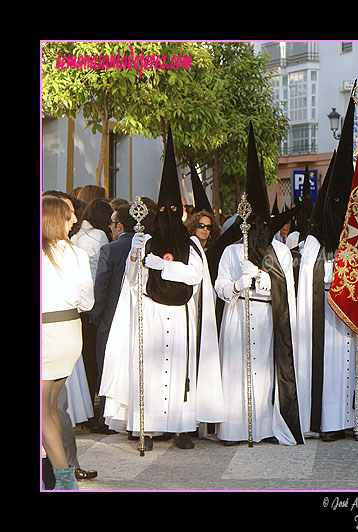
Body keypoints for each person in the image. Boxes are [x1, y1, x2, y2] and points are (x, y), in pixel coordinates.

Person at [99, 128, 224, 451]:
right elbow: (133, 281)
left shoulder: (192, 243)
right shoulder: (147, 240)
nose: (169, 215)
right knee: (152, 371)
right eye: (165, 211)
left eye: (174, 210)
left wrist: (161, 265)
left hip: (181, 314)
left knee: (179, 370)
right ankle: (148, 427)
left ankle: (181, 427)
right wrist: (137, 255)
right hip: (152, 312)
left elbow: (195, 276)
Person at [297, 99, 358, 442]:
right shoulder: (317, 240)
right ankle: (332, 422)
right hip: (329, 311)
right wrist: (332, 275)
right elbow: (309, 276)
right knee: (333, 365)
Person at [213, 122, 305, 446]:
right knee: (236, 371)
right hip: (238, 316)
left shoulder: (279, 250)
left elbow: (286, 291)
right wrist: (238, 284)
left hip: (267, 318)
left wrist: (264, 280)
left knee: (265, 372)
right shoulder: (231, 250)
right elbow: (219, 287)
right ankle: (235, 429)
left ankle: (265, 426)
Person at [42, 195, 94, 490]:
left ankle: (63, 479)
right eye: (68, 215)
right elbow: (87, 302)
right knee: (49, 408)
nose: (75, 220)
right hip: (70, 333)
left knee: (44, 411)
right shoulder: (77, 253)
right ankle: (57, 476)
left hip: (48, 333)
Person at [90, 204, 137, 433]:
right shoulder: (147, 246)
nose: (110, 228)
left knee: (106, 366)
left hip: (110, 316)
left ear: (119, 225)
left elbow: (101, 286)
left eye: (111, 223)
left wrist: (96, 314)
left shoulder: (110, 249)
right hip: (138, 316)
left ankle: (107, 416)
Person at [71, 199, 113, 426]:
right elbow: (100, 273)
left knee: (83, 358)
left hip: (76, 305)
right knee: (93, 360)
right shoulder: (99, 236)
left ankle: (83, 408)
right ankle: (91, 411)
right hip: (92, 302)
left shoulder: (76, 236)